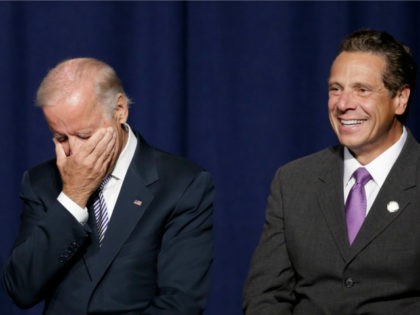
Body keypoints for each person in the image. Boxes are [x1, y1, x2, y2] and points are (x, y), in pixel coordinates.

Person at [2, 57, 214, 315]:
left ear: (120, 110)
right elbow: (21, 288)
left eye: (84, 135)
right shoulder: (41, 182)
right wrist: (72, 197)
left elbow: (181, 303)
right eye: (60, 138)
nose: (74, 152)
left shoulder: (182, 184)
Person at [243, 29, 420, 315]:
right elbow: (266, 296)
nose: (343, 104)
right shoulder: (294, 182)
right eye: (336, 89)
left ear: (400, 98)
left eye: (362, 90)